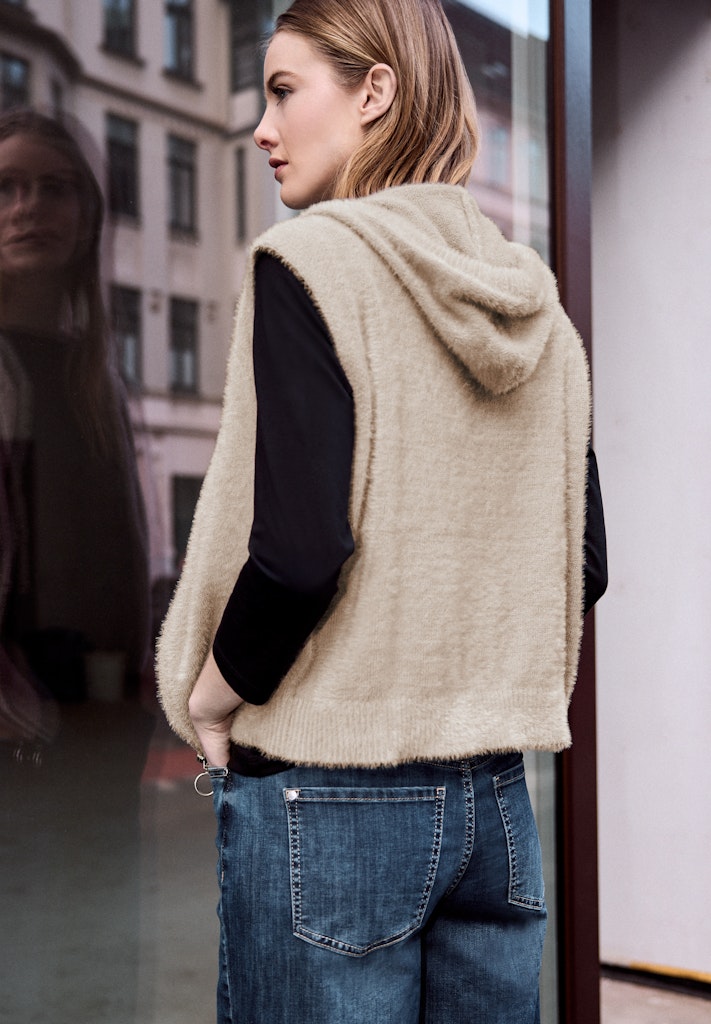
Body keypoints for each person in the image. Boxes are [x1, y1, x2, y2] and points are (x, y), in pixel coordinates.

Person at [157, 1, 608, 1021]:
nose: (263, 128)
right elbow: (579, 563)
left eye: (284, 91)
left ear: (375, 92)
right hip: (495, 800)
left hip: (328, 792)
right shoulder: (532, 304)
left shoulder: (312, 264)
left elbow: (301, 553)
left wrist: (213, 697)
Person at [0, 109, 152, 1022]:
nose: (29, 207)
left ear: (89, 215)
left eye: (55, 188)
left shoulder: (98, 377)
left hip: (100, 734)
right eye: (7, 188)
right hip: (17, 742)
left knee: (95, 972)